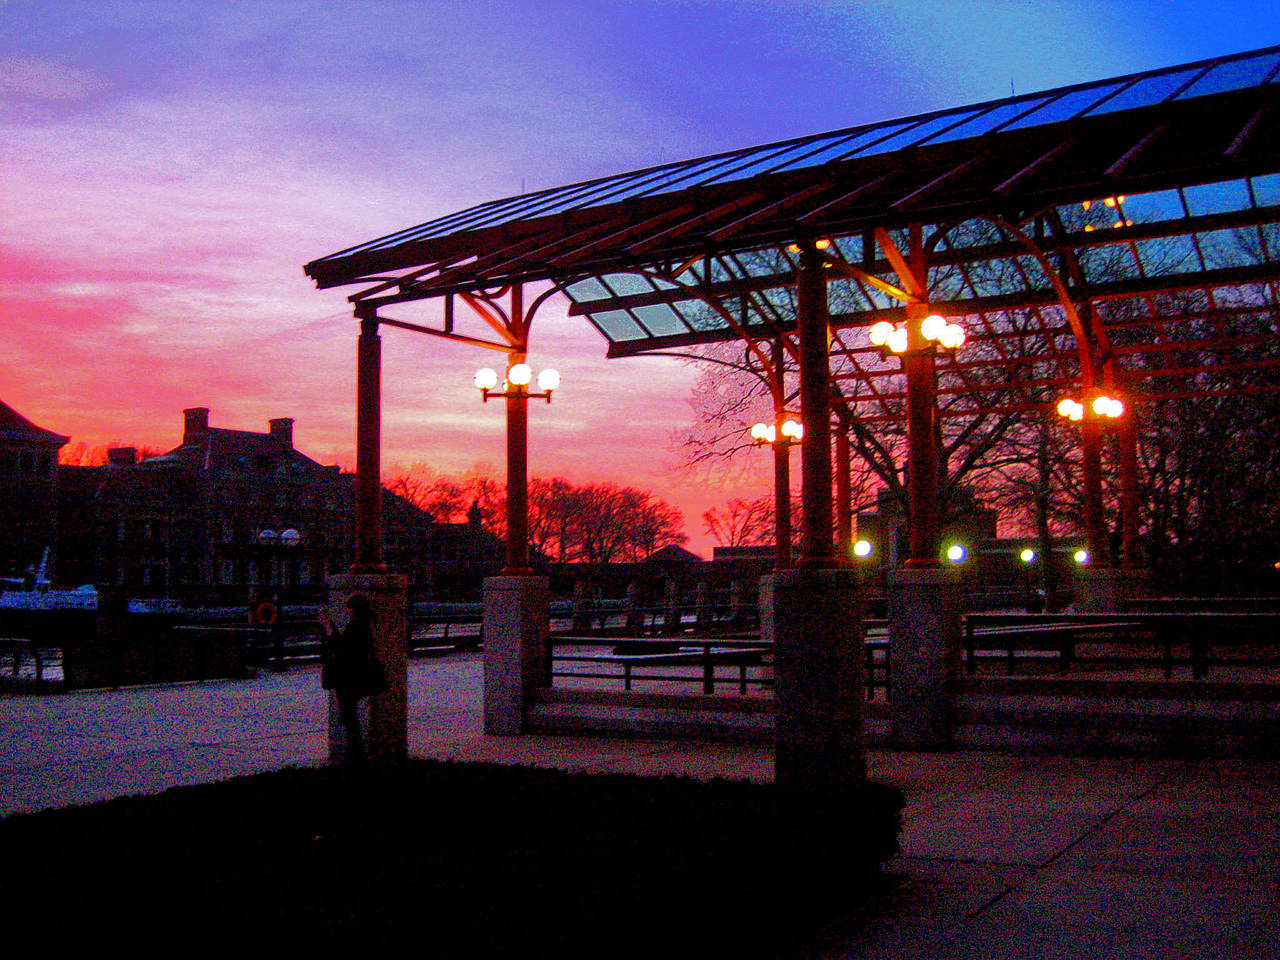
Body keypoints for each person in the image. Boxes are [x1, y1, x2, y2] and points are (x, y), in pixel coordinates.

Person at [320, 594, 386, 763]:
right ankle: (356, 751)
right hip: (356, 676)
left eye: (350, 607)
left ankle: (355, 753)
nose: (348, 610)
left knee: (348, 716)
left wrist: (329, 629)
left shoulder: (355, 627)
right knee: (350, 715)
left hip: (349, 677)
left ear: (356, 609)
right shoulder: (364, 626)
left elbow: (342, 648)